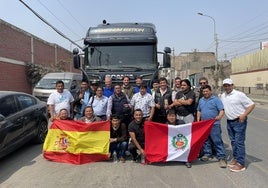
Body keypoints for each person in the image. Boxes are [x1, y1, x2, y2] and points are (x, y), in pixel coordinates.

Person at [221, 78, 255, 172]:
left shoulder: (239, 95)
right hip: (230, 121)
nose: (227, 87)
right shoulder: (223, 95)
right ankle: (236, 158)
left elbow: (251, 104)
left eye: (229, 85)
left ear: (233, 85)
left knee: (239, 142)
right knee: (233, 141)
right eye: (225, 85)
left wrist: (244, 115)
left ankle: (241, 164)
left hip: (239, 121)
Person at [196, 84, 227, 168]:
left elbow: (221, 110)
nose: (205, 93)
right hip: (204, 125)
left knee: (217, 140)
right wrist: (198, 120)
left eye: (207, 91)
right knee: (206, 140)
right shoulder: (201, 100)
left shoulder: (216, 100)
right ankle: (207, 154)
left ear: (210, 91)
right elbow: (199, 110)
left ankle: (221, 157)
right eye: (204, 91)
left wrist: (220, 116)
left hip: (214, 124)